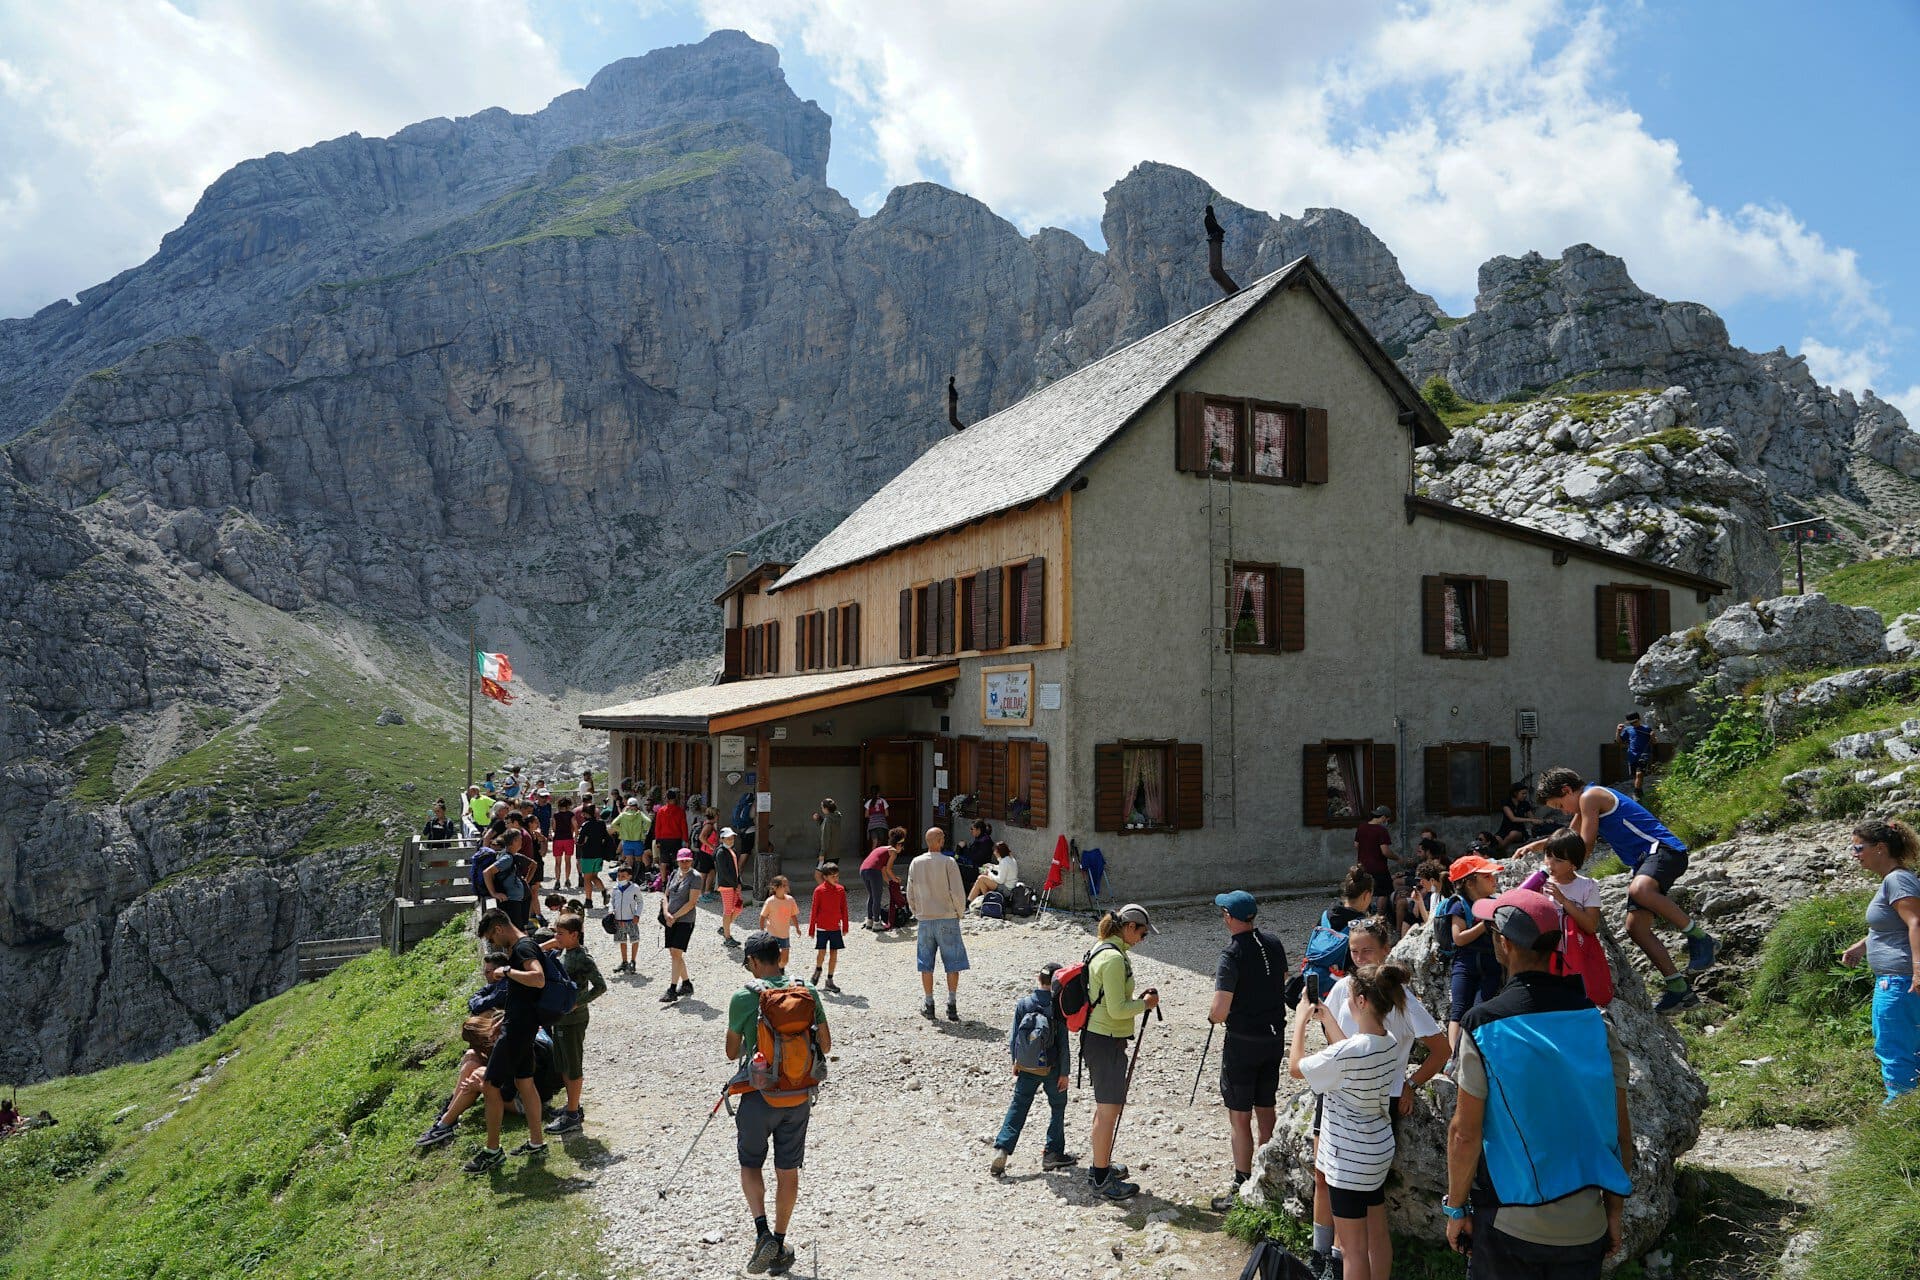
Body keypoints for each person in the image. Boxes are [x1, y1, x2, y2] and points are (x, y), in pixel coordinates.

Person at [1446, 887, 1633, 1278]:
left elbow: (1465, 1134)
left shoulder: (1483, 1026)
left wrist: (1456, 1209)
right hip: (1586, 1225)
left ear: (1504, 944)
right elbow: (1619, 1129)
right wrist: (1614, 1211)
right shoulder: (1596, 1024)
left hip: (1511, 1226)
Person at [1312, 918, 1450, 1276]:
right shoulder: (1346, 986)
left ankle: (1341, 1261)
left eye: (1366, 951)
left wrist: (1412, 1083)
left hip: (1377, 1099)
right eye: (1353, 951)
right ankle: (1326, 1255)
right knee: (1327, 1177)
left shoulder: (1400, 999)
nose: (1358, 957)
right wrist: (1326, 1019)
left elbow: (1440, 1049)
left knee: (1359, 1202)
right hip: (1342, 1090)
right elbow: (1343, 1045)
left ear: (1386, 950)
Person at [1528, 766, 1717, 1013]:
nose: (1563, 811)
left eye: (1560, 805)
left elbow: (1585, 842)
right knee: (1635, 928)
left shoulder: (1590, 796)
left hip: (1662, 850)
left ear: (1566, 790)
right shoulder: (1585, 801)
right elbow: (1569, 835)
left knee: (1640, 890)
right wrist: (1538, 846)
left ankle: (1701, 939)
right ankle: (1679, 989)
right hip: (1644, 862)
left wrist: (1567, 871)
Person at [1290, 963, 1410, 1280]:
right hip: (1376, 1152)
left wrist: (1301, 1021)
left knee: (1353, 1251)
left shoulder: (1349, 1051)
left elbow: (1296, 1067)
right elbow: (1348, 1052)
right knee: (1377, 1238)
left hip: (1348, 1160)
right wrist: (1328, 1018)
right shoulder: (1388, 1043)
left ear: (1361, 1001)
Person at [727, 930, 831, 1277]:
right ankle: (781, 1241)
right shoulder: (808, 991)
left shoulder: (745, 996)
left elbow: (730, 1052)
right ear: (780, 957)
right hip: (799, 1095)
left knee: (750, 1163)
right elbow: (826, 1045)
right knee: (787, 1170)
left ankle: (762, 1234)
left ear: (754, 962)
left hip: (759, 1096)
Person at [1207, 890, 1289, 1211]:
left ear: (1229, 917)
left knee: (1240, 1118)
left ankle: (1242, 1183)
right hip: (1273, 1038)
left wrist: (1212, 1015)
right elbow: (1281, 980)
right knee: (1266, 1108)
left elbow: (1220, 1010)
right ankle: (1268, 1177)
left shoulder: (1231, 956)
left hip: (1243, 1044)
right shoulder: (1273, 943)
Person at [1084, 903, 1160, 1201]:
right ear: (1129, 928)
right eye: (1142, 934)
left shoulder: (1102, 948)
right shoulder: (1114, 959)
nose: (1143, 939)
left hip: (1099, 1038)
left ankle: (1099, 1166)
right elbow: (1116, 1010)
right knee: (1108, 1111)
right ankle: (1101, 1178)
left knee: (1105, 1109)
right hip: (1107, 1040)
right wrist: (1145, 1005)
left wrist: (1136, 1001)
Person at [1840, 818, 1920, 1101]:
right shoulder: (1896, 880)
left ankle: (1899, 1108)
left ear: (1880, 848)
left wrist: (1918, 970)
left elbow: (1916, 923)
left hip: (1899, 981)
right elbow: (1892, 924)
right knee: (1906, 1045)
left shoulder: (1898, 879)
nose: (1854, 855)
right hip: (1897, 979)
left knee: (1893, 1046)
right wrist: (1863, 945)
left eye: (1858, 848)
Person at [464, 909, 548, 1173]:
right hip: (523, 1025)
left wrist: (508, 971)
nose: (492, 942)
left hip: (517, 1031)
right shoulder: (524, 944)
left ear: (499, 928)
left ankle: (492, 1150)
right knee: (524, 1082)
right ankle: (537, 1142)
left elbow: (538, 979)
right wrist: (505, 1016)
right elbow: (523, 994)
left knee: (490, 1085)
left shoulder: (522, 948)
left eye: (491, 936)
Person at [990, 961, 1077, 1177]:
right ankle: (1052, 1154)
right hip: (1052, 1068)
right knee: (1057, 1107)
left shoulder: (1024, 1003)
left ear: (1039, 979)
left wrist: (1016, 1062)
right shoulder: (1058, 1005)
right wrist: (1065, 1073)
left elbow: (1014, 1038)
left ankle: (1003, 1149)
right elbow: (1063, 1044)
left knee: (1019, 1106)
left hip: (1027, 1066)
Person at [542, 914, 605, 1135]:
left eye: (560, 933)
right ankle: (572, 1106)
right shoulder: (563, 952)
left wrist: (577, 1004)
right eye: (556, 933)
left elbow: (600, 986)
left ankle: (571, 1116)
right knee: (564, 1065)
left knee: (573, 1066)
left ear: (574, 935)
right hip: (560, 1019)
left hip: (573, 1021)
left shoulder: (582, 957)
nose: (556, 937)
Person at [906, 826, 971, 1021]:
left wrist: (916, 912)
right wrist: (959, 912)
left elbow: (910, 892)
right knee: (953, 963)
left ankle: (929, 1003)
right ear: (941, 841)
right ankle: (951, 1004)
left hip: (925, 919)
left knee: (926, 963)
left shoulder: (916, 862)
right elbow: (958, 892)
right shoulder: (948, 862)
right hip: (947, 917)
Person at [1439, 854, 1504, 1050]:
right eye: (1487, 876)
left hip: (1491, 963)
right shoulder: (1459, 905)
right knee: (1458, 1011)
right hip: (1464, 964)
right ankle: (1454, 1056)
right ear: (1469, 882)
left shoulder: (1494, 902)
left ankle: (1474, 1052)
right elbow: (1458, 938)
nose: (1493, 879)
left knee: (1480, 1009)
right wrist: (1484, 925)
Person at [417, 1012, 503, 1147]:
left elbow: (507, 1084)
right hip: (509, 1087)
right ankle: (449, 1111)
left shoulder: (502, 1043)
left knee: (476, 1076)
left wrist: (480, 1086)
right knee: (470, 1057)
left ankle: (444, 1124)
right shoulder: (499, 1035)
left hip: (518, 1100)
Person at [659, 849, 700, 1005]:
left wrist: (674, 917)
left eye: (687, 860)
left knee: (676, 952)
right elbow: (666, 895)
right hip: (671, 919)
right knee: (674, 953)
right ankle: (687, 983)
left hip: (685, 920)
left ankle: (672, 989)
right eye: (682, 860)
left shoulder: (695, 877)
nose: (685, 863)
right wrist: (666, 914)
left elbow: (691, 903)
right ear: (677, 861)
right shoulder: (675, 873)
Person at [808, 862, 850, 993]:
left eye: (837, 876)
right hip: (822, 927)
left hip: (835, 927)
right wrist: (811, 928)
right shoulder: (819, 891)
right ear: (825, 877)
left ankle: (830, 980)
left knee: (834, 953)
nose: (836, 879)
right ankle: (818, 969)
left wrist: (845, 925)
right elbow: (814, 909)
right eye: (833, 876)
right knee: (821, 951)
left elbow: (844, 908)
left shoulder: (841, 890)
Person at [1352, 806, 1400, 918]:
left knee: (1365, 891)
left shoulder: (1361, 827)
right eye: (1387, 819)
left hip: (1363, 866)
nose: (1386, 822)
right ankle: (1380, 918)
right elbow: (1385, 851)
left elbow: (1356, 845)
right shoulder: (1381, 830)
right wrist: (1397, 858)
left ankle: (1365, 916)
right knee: (1383, 893)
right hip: (1378, 867)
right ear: (1383, 817)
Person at [483, 828, 533, 930]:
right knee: (515, 931)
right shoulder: (507, 858)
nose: (521, 842)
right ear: (514, 841)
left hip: (515, 900)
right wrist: (494, 893)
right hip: (511, 901)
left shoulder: (508, 855)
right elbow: (487, 872)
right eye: (520, 839)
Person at [861, 827, 905, 929]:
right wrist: (895, 879)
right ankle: (877, 923)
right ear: (898, 844)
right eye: (902, 846)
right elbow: (889, 870)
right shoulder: (893, 851)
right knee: (877, 897)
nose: (902, 849)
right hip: (873, 871)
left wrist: (889, 882)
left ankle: (869, 921)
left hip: (863, 870)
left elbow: (883, 869)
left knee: (872, 895)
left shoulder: (882, 848)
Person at [608, 864, 645, 973]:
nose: (620, 878)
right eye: (619, 876)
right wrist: (611, 911)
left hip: (631, 919)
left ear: (629, 876)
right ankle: (624, 962)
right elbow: (612, 901)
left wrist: (637, 914)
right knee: (621, 940)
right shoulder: (615, 889)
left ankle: (633, 961)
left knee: (634, 939)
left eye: (623, 876)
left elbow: (640, 901)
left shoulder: (634, 888)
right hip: (618, 920)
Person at [717, 826, 749, 948]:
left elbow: (736, 870)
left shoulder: (732, 850)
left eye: (731, 838)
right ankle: (727, 937)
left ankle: (725, 928)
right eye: (727, 838)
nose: (730, 840)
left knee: (738, 907)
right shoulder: (721, 853)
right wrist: (736, 885)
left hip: (734, 885)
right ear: (722, 839)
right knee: (728, 910)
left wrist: (738, 883)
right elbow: (724, 872)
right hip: (727, 886)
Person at [577, 801, 612, 908]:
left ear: (586, 814)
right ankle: (604, 891)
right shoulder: (601, 824)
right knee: (594, 876)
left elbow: (579, 841)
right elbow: (606, 837)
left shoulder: (585, 825)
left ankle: (588, 901)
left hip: (587, 854)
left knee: (587, 878)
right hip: (599, 854)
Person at [760, 875, 802, 966]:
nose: (787, 887)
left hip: (784, 934)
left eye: (787, 885)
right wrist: (762, 931)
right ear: (775, 887)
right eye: (784, 885)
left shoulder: (790, 900)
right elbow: (762, 916)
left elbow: (793, 915)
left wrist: (797, 928)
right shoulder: (770, 901)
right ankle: (776, 973)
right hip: (772, 934)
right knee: (773, 956)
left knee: (785, 960)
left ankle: (780, 969)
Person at [1617, 712, 1656, 799]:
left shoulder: (1646, 729)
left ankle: (1636, 792)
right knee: (1635, 776)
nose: (1633, 724)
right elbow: (1619, 741)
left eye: (1635, 722)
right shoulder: (1628, 730)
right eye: (1631, 723)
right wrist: (1618, 731)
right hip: (1632, 755)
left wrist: (1653, 736)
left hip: (1644, 754)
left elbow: (1654, 742)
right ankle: (1639, 791)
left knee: (1639, 774)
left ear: (1639, 720)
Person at [1497, 783, 1545, 853]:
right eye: (1523, 794)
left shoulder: (1525, 804)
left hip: (1519, 830)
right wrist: (1530, 819)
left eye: (1526, 794)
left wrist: (1543, 821)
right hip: (1505, 829)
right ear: (1515, 793)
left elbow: (1533, 819)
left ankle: (1500, 851)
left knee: (1513, 834)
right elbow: (1513, 818)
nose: (1525, 796)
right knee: (1497, 838)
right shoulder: (1506, 803)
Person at [611, 797, 652, 877]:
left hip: (626, 842)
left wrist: (621, 830)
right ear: (636, 805)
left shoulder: (623, 815)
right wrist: (643, 830)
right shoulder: (640, 814)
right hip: (638, 841)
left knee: (629, 861)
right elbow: (648, 821)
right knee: (638, 862)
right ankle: (637, 878)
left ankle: (628, 878)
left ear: (628, 806)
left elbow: (613, 824)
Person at [548, 796, 577, 891]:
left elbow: (554, 828)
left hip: (558, 839)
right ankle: (567, 879)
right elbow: (575, 826)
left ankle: (557, 881)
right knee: (568, 861)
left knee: (557, 862)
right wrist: (575, 836)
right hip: (568, 839)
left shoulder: (556, 815)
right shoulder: (571, 815)